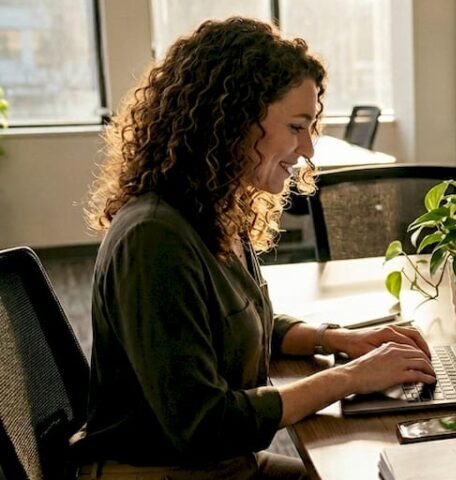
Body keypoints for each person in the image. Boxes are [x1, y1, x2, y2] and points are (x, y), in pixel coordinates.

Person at [73, 18, 436, 479]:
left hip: (217, 465)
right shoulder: (155, 239)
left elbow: (241, 323)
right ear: (232, 122)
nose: (308, 148)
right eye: (296, 126)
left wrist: (337, 339)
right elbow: (203, 425)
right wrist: (350, 378)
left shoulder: (214, 209)